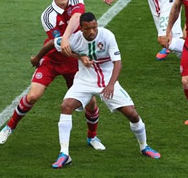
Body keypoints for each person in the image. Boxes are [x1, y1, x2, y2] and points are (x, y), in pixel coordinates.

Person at [30, 12, 160, 168]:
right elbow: (52, 43)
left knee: (131, 114)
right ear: (81, 28)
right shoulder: (75, 38)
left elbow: (118, 63)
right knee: (66, 106)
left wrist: (111, 84)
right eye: (87, 29)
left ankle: (144, 146)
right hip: (84, 81)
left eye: (94, 27)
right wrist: (37, 58)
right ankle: (64, 154)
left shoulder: (107, 36)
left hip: (107, 81)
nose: (91, 31)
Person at [0, 0, 104, 151]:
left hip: (74, 63)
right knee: (33, 96)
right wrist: (79, 54)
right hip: (54, 59)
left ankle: (92, 137)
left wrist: (72, 45)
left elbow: (77, 18)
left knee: (91, 102)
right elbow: (61, 45)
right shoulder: (47, 16)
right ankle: (10, 126)